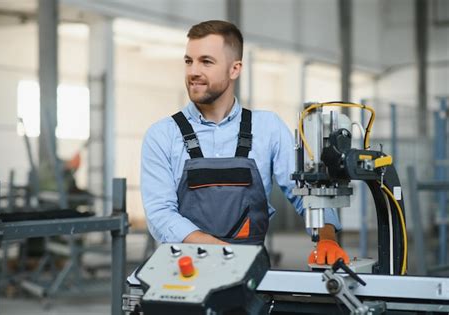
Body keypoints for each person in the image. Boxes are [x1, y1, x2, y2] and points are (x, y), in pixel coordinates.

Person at [141, 20, 349, 265]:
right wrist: (223, 253)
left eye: (206, 61)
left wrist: (327, 237)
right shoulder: (162, 135)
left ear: (235, 69)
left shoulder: (268, 128)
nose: (193, 71)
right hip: (185, 272)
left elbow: (306, 193)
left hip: (252, 272)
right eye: (189, 61)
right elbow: (160, 214)